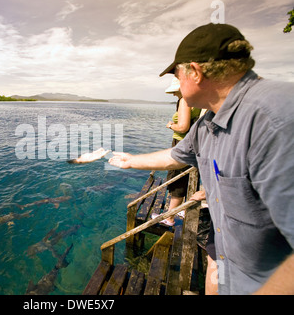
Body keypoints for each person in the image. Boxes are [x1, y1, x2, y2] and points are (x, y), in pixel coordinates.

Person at [109, 23, 294, 295]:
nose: (177, 84)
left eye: (176, 74)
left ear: (194, 72)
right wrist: (131, 160)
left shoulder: (275, 119)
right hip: (227, 254)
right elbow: (177, 155)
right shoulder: (209, 120)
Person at [156, 78, 201, 226]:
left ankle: (169, 217)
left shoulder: (184, 100)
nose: (174, 95)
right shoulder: (196, 100)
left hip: (181, 142)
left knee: (176, 179)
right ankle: (182, 209)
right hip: (191, 143)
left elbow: (182, 127)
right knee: (187, 177)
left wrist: (170, 125)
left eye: (175, 91)